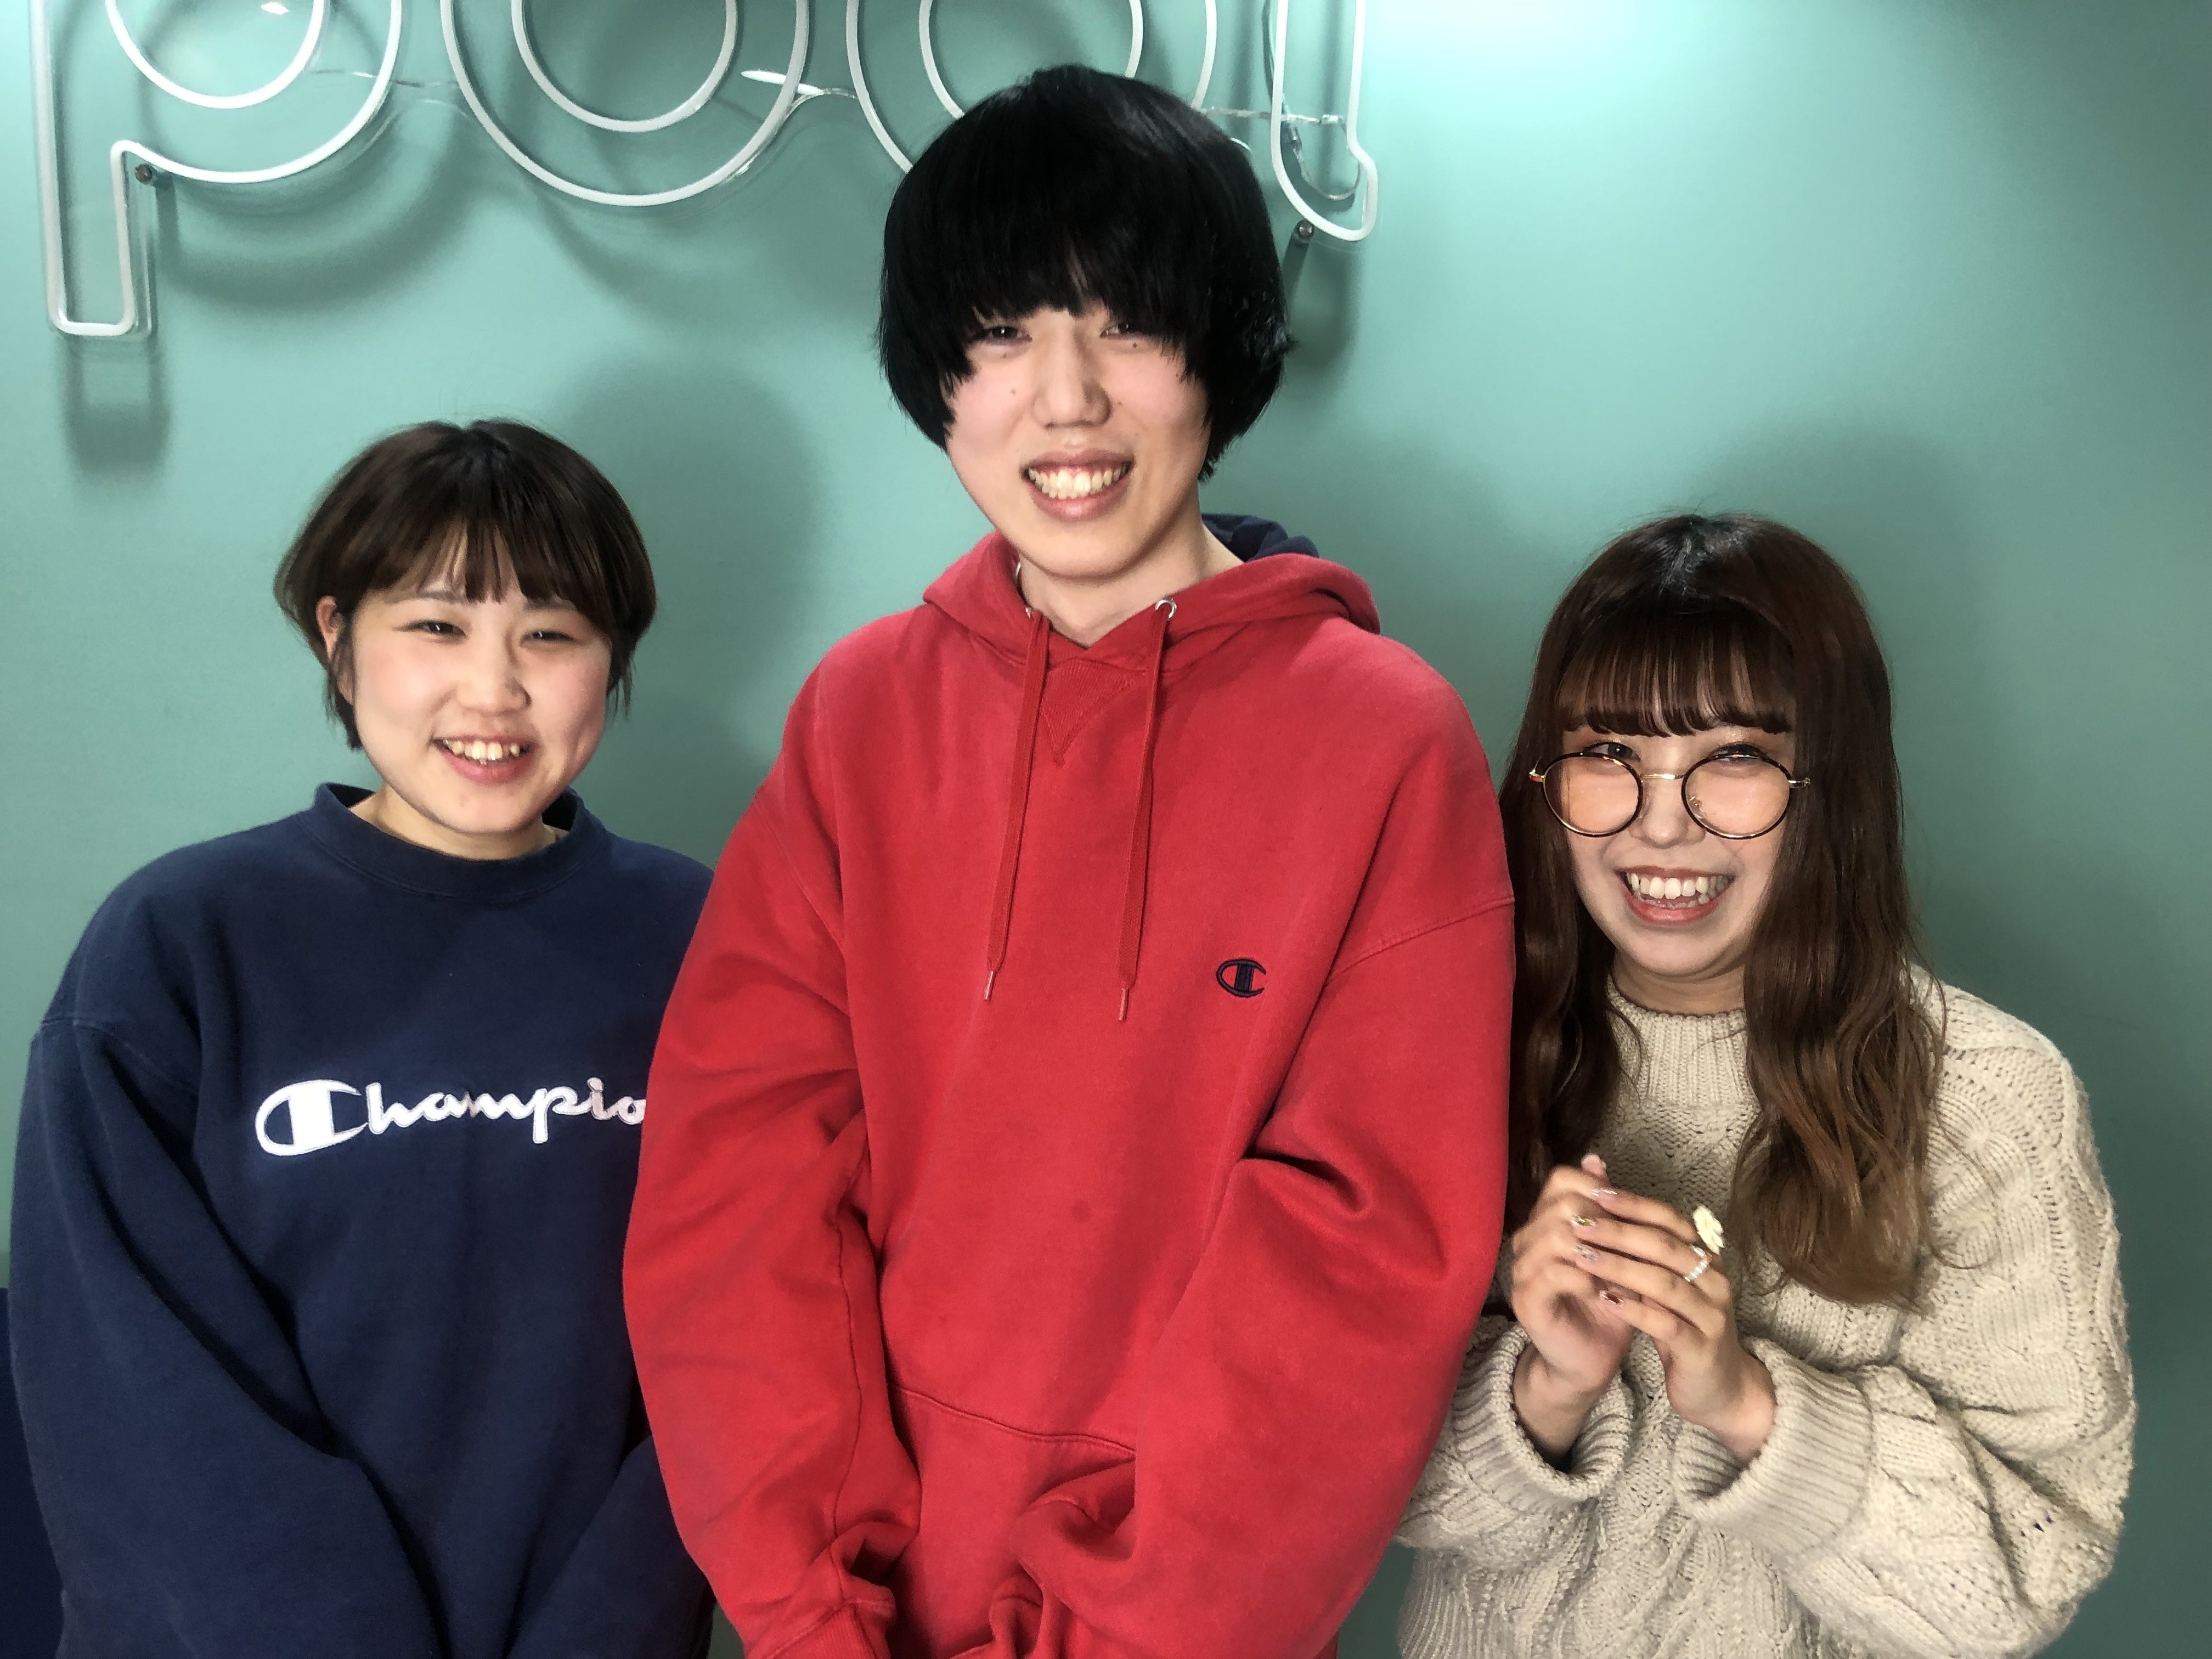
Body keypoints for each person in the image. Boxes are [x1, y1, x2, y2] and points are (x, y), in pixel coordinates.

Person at [624, 66, 1515, 1659]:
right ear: (937, 376)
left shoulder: (1385, 741)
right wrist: (817, 1616)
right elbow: (741, 1188)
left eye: (1128, 325)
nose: (1066, 399)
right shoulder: (861, 715)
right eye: (1000, 334)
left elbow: (1359, 1271)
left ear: (1220, 351)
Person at [10, 421, 715, 1658]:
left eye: (551, 634)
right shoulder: (180, 942)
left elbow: (748, 1344)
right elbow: (133, 1383)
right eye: (436, 626)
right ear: (338, 641)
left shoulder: (704, 939)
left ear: (612, 659)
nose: (492, 692)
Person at [1397, 514, 2134, 1658]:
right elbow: (1346, 1498)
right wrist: (1547, 1390)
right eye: (1607, 754)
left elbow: (2014, 1587)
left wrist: (1744, 1400)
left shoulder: (1989, 1102)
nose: (1660, 825)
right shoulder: (1442, 1051)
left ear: (1829, 783)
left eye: (1734, 759)